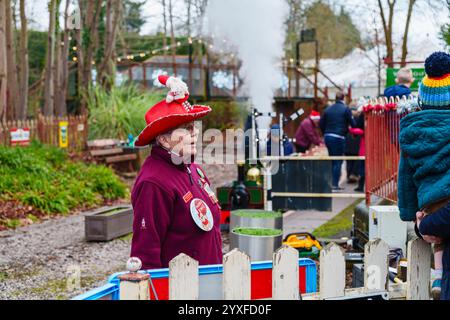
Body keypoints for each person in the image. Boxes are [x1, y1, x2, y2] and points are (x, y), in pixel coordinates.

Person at [130, 75, 222, 269]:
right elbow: (146, 253)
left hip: (207, 282)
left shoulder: (194, 169)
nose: (195, 133)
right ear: (163, 140)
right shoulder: (153, 182)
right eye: (186, 128)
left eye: (194, 126)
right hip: (179, 288)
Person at [397, 52, 450, 300]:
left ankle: (439, 275)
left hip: (429, 207)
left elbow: (405, 179)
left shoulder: (411, 131)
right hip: (446, 205)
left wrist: (412, 216)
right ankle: (440, 276)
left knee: (439, 242)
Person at [320, 92, 356, 191]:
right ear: (343, 98)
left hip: (328, 136)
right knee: (337, 161)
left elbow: (321, 123)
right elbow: (353, 124)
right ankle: (335, 185)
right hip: (338, 137)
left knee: (332, 161)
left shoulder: (328, 109)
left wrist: (325, 132)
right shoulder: (345, 109)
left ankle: (332, 183)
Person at [345, 106, 361, 183]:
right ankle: (353, 175)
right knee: (355, 159)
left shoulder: (347, 118)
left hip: (349, 141)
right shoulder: (359, 118)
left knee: (349, 160)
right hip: (355, 141)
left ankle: (349, 175)